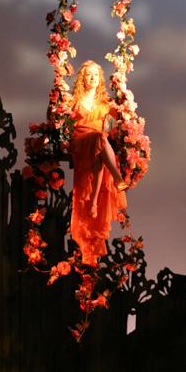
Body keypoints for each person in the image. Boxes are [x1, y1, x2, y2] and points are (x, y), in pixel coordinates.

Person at [69, 60, 128, 266]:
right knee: (98, 139)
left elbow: (108, 130)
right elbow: (66, 126)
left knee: (100, 142)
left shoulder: (106, 105)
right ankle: (118, 179)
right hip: (80, 141)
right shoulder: (73, 101)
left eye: (96, 75)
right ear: (82, 78)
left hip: (98, 143)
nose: (92, 78)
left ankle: (94, 202)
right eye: (89, 74)